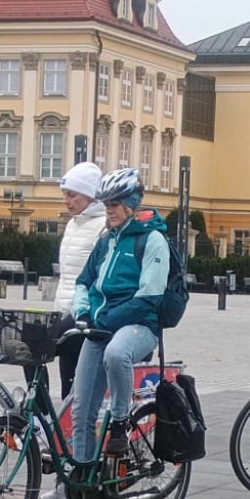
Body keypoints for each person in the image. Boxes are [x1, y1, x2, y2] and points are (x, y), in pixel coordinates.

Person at [69, 168, 169, 464]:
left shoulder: (151, 241)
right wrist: (82, 313)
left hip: (140, 327)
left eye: (114, 205)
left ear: (131, 204)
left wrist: (106, 320)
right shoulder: (106, 241)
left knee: (116, 352)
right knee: (81, 410)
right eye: (106, 205)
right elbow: (83, 283)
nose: (108, 211)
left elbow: (150, 296)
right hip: (100, 327)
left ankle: (120, 422)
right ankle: (79, 482)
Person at [39, 161, 106, 499]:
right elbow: (67, 277)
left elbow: (95, 277)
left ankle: (78, 474)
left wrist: (82, 311)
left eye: (73, 194)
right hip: (65, 312)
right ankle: (68, 471)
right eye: (65, 194)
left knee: (79, 400)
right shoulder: (74, 226)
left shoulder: (102, 226)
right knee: (65, 392)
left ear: (90, 194)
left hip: (85, 318)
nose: (67, 200)